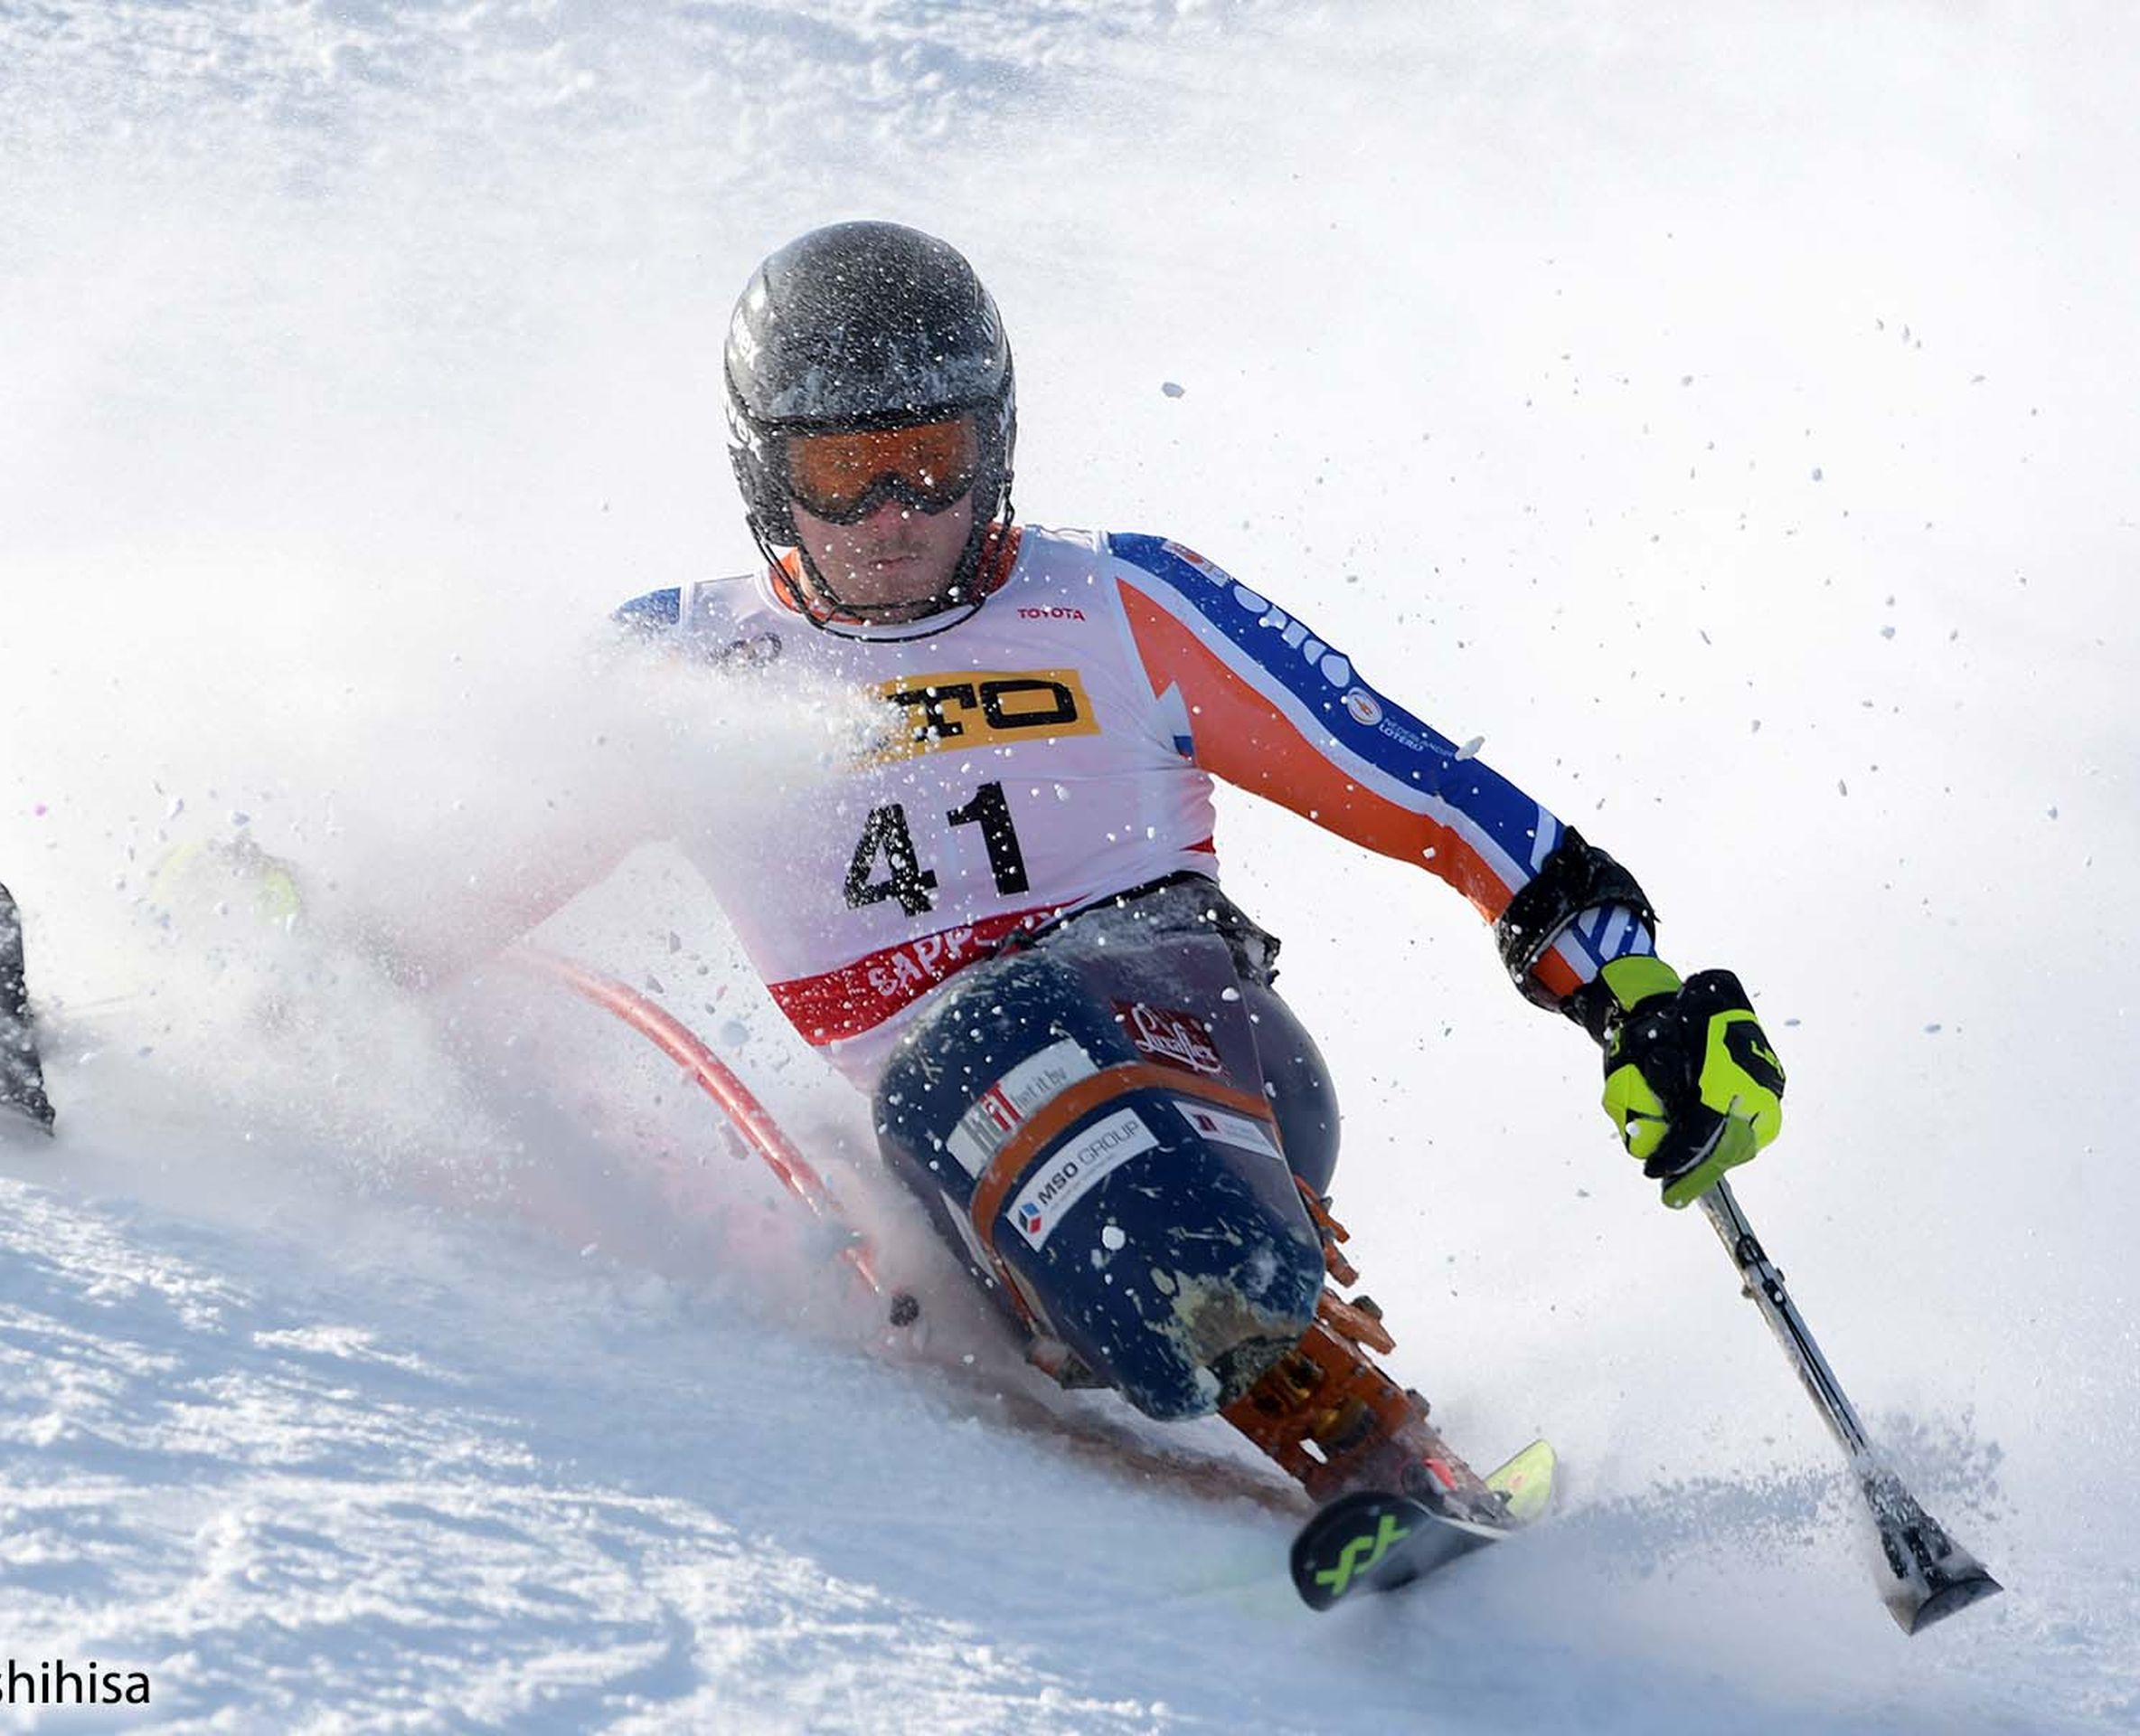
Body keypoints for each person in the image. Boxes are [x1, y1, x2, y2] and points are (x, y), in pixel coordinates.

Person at [608, 219, 1788, 1507]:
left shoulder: (1118, 606)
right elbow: (456, 858)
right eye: (847, 473)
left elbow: (1424, 790)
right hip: (948, 1164)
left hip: (1194, 1041)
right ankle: (1232, 1352)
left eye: (931, 464)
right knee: (952, 1063)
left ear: (992, 447)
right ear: (766, 474)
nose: (894, 519)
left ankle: (1366, 1428)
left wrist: (1633, 996)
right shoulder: (677, 670)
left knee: (1007, 1029)